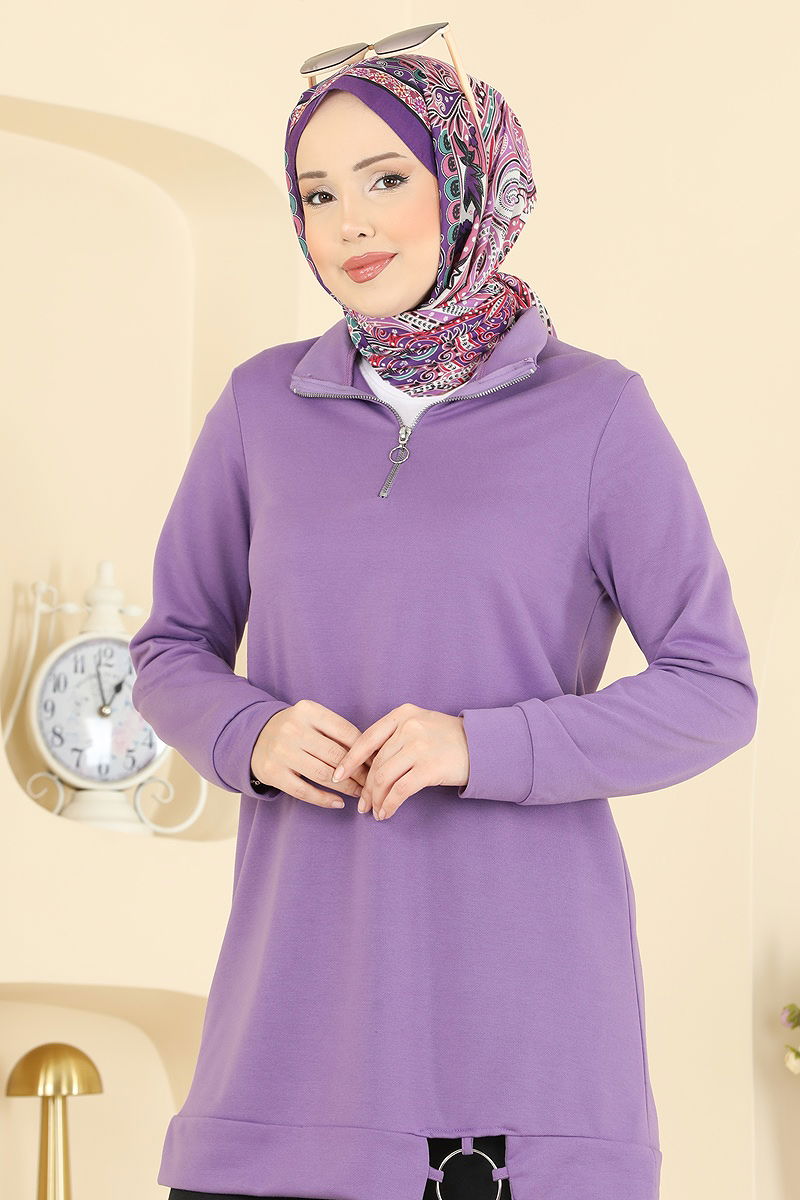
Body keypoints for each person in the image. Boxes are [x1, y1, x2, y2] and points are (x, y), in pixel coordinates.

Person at [129, 49, 758, 1200]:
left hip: (520, 1046)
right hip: (287, 1037)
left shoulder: (596, 412)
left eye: (385, 180)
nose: (350, 224)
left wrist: (480, 745)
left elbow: (712, 689)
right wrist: (249, 734)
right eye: (318, 193)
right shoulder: (262, 406)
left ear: (464, 186)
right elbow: (170, 648)